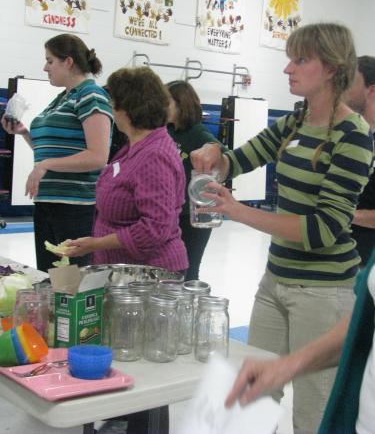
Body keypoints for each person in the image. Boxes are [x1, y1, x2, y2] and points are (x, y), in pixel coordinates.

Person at [190, 23, 374, 433]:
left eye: (301, 59)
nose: (288, 68)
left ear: (330, 68)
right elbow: (238, 160)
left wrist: (237, 211)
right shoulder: (296, 120)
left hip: (324, 293)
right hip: (275, 281)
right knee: (249, 397)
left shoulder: (354, 136)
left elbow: (324, 228)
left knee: (313, 412)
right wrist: (213, 152)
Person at [225, 248, 375, 434]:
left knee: (311, 413)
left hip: (322, 283)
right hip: (364, 422)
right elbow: (362, 320)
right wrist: (288, 365)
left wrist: (235, 216)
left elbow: (320, 232)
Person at [1, 33, 112, 272]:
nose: (45, 67)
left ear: (68, 61)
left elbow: (98, 156)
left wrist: (45, 165)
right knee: (50, 277)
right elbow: (54, 152)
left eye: (50, 61)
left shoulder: (91, 96)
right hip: (49, 202)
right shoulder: (63, 97)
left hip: (75, 205)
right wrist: (25, 134)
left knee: (70, 280)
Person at [64, 67, 188, 274]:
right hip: (126, 270)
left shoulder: (154, 156)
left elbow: (154, 228)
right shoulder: (136, 147)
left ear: (127, 108)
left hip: (150, 275)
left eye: (112, 103)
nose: (111, 109)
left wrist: (96, 244)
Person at [166, 80, 223, 280]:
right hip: (173, 212)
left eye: (167, 102)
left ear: (181, 105)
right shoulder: (168, 130)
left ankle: (192, 309)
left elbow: (218, 150)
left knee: (189, 270)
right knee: (172, 269)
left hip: (194, 214)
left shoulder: (197, 132)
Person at [347, 56, 375, 266]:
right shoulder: (351, 134)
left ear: (371, 90)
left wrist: (340, 214)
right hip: (340, 259)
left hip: (366, 267)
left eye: (350, 81)